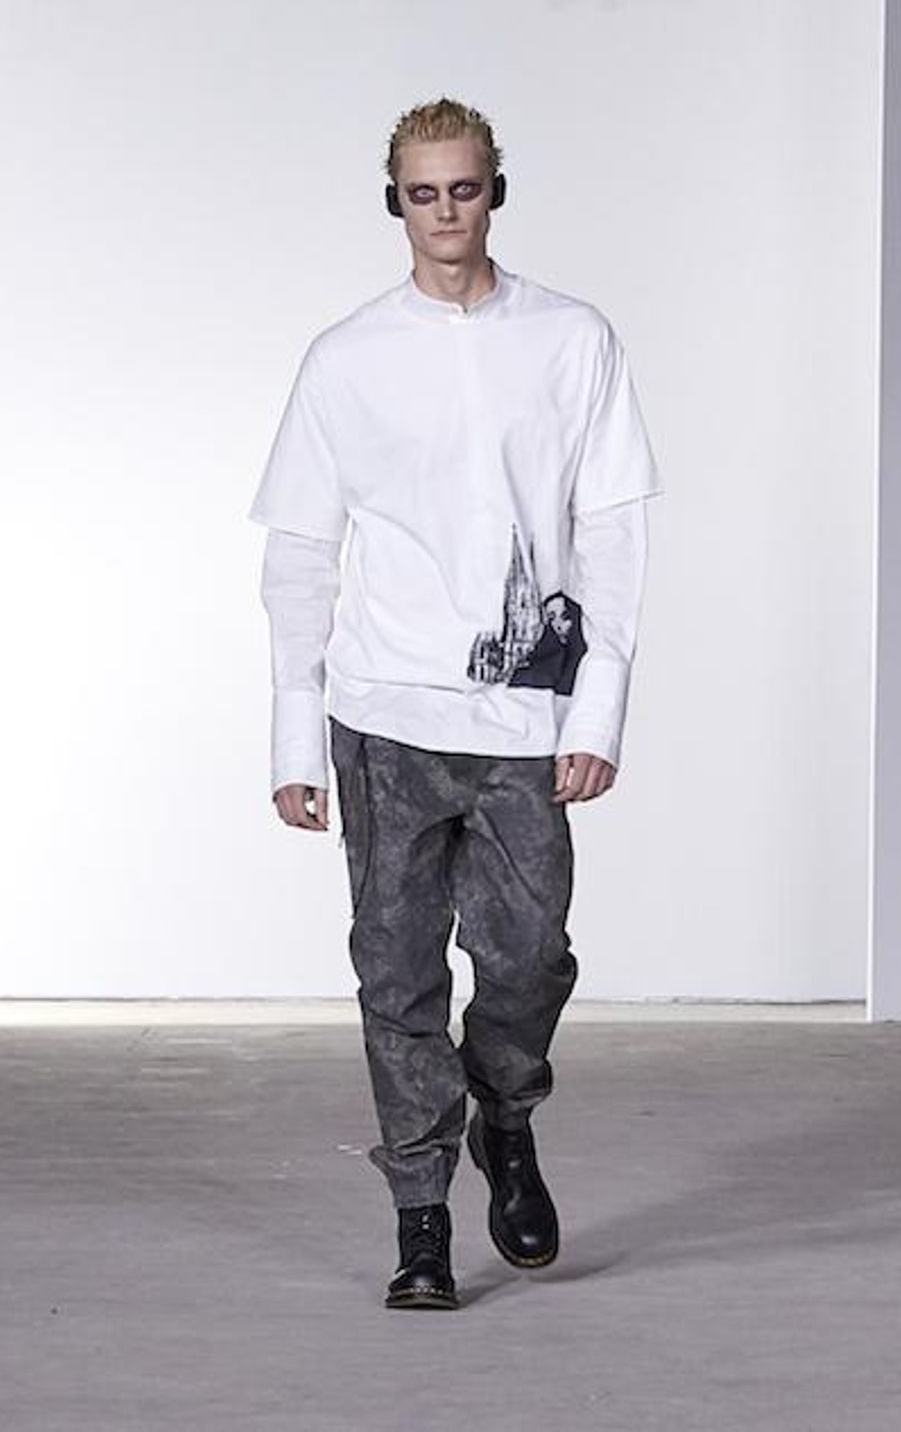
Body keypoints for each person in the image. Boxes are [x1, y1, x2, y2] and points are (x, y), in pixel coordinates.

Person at [248, 97, 664, 1310]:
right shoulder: (345, 358)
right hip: (382, 715)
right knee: (395, 974)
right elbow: (299, 552)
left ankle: (504, 1111)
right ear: (395, 202)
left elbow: (612, 532)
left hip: (523, 715)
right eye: (422, 193)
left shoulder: (570, 340)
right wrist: (293, 732)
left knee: (528, 956)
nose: (445, 212)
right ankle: (420, 1216)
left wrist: (596, 711)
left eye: (464, 189)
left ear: (495, 191)